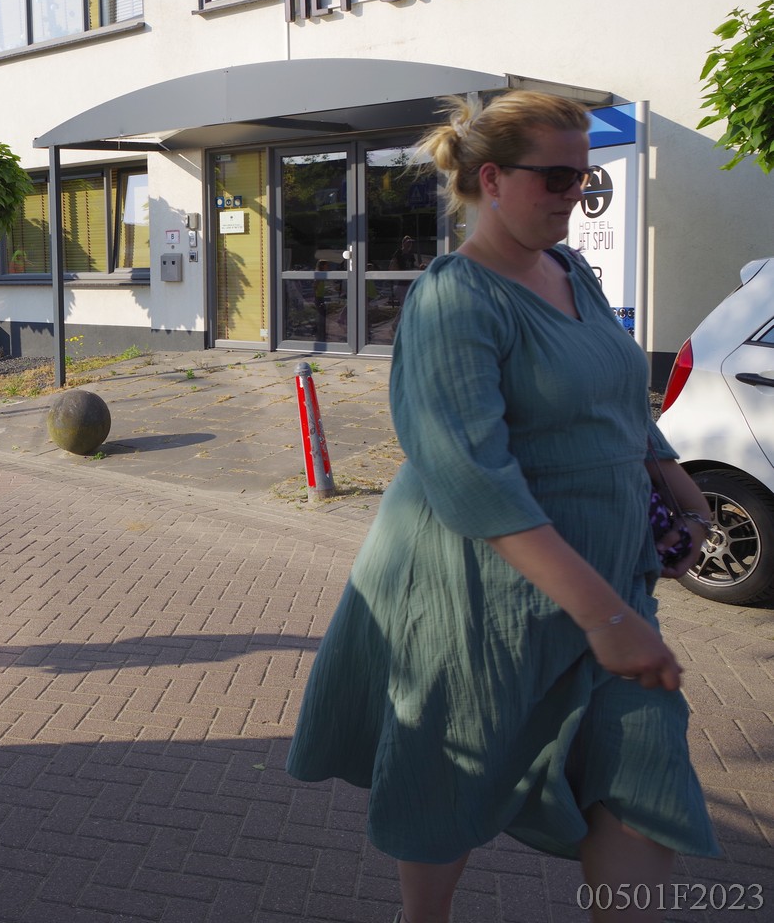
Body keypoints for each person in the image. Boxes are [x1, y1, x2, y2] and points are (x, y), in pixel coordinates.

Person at [286, 91, 719, 923]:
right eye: (556, 178)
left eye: (585, 179)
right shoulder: (456, 297)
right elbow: (469, 474)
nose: (574, 195)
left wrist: (673, 478)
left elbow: (615, 393)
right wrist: (605, 618)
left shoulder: (572, 270)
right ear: (491, 179)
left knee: (644, 767)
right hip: (475, 591)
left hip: (610, 581)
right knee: (450, 769)